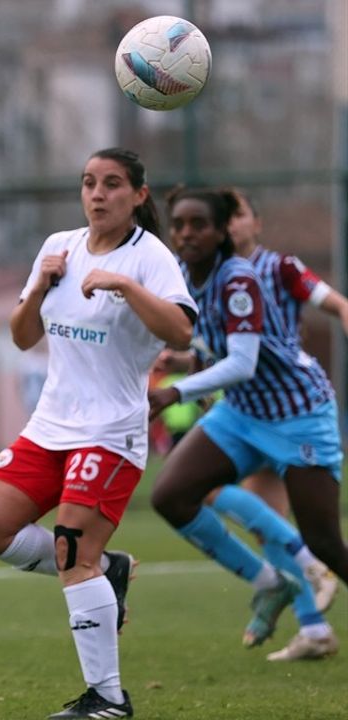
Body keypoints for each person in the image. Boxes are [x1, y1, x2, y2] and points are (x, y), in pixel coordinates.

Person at [0, 148, 196, 719]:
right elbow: (21, 338)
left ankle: (108, 698)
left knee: (71, 550)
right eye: (89, 183)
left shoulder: (151, 258)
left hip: (112, 431)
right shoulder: (57, 246)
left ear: (139, 195)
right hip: (50, 426)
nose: (97, 194)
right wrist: (40, 287)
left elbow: (183, 334)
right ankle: (107, 568)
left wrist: (125, 286)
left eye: (112, 184)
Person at [149, 187, 345, 661]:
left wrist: (175, 390)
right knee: (171, 496)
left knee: (323, 541)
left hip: (297, 414)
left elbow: (243, 362)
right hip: (241, 413)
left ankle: (309, 586)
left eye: (201, 224)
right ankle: (272, 585)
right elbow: (210, 345)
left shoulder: (242, 278)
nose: (187, 233)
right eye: (179, 224)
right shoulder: (180, 274)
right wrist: (184, 361)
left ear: (225, 231)